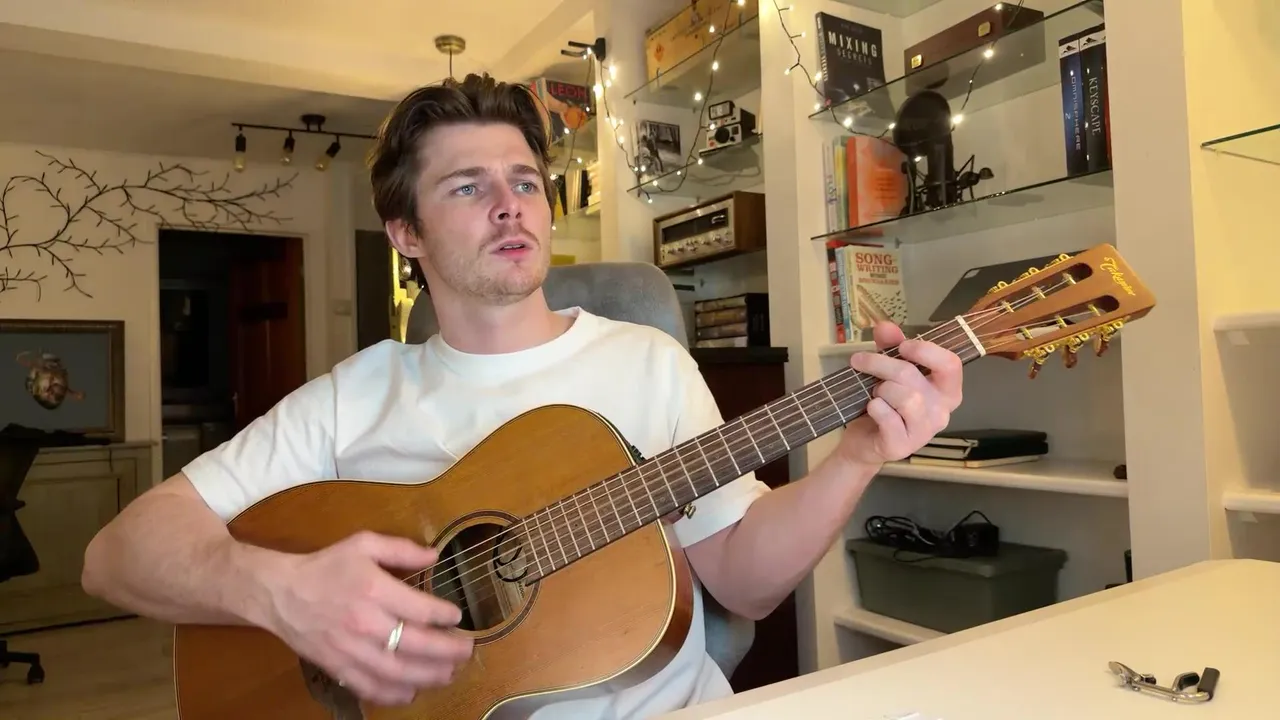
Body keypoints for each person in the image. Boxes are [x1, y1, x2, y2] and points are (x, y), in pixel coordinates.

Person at [81, 73, 963, 718]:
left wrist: (857, 455)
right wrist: (280, 591)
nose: (510, 205)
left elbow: (746, 584)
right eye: (468, 187)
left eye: (526, 181)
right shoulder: (355, 396)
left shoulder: (648, 363)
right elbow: (115, 555)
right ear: (406, 232)